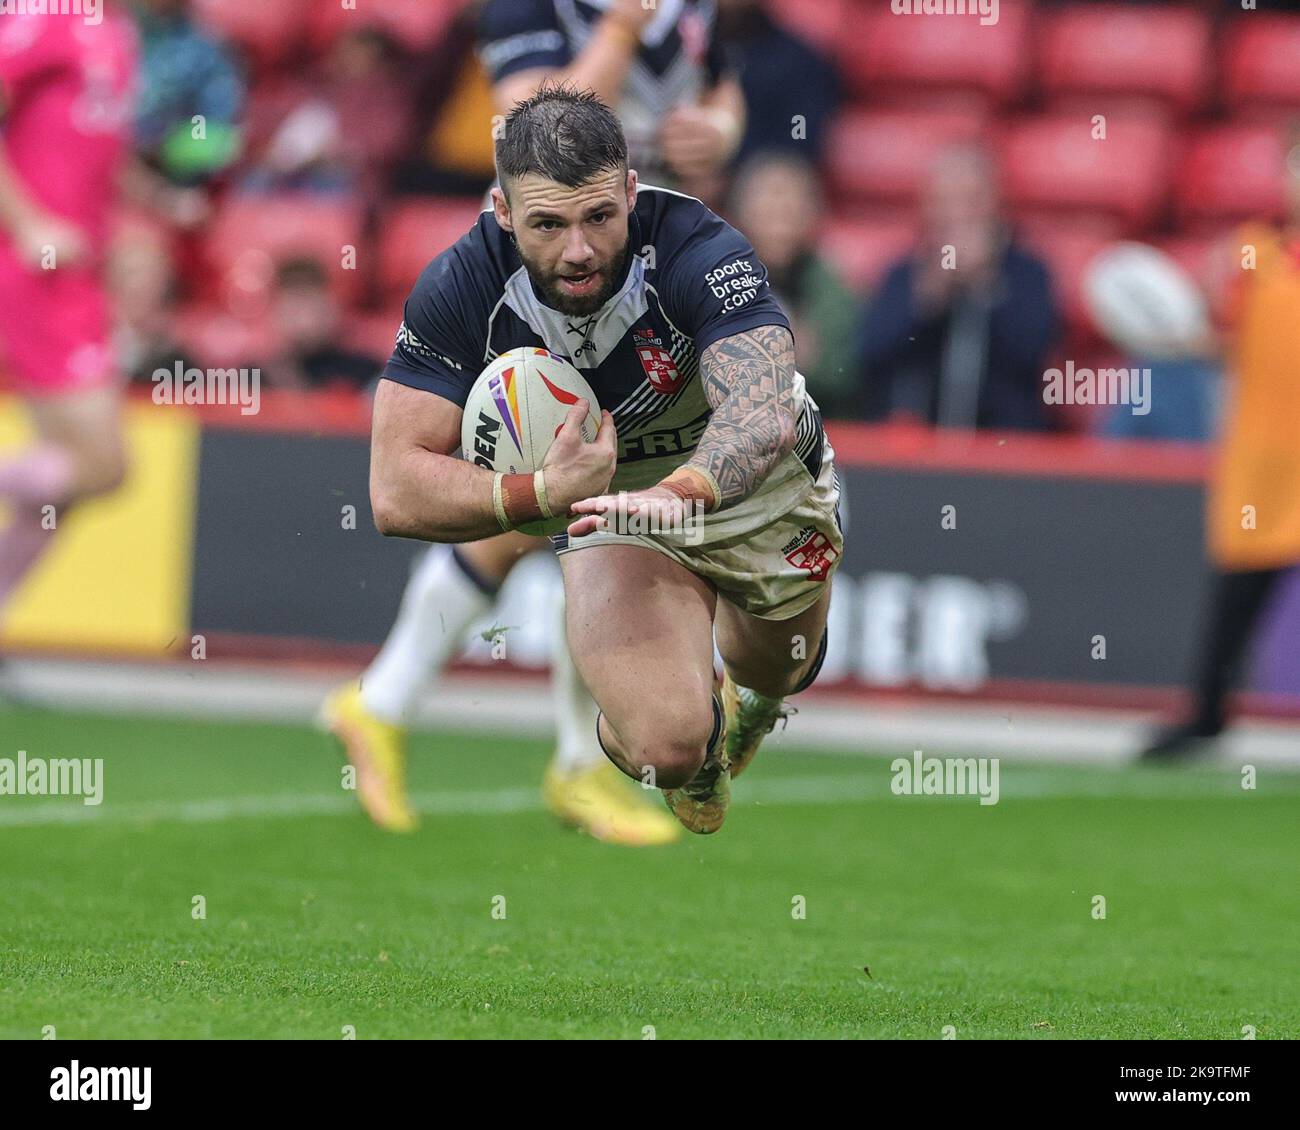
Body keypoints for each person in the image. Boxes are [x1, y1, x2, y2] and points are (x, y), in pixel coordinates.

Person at [323, 0, 746, 844]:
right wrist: (620, 32)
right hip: (555, 277)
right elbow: (531, 129)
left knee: (563, 513)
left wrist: (721, 132)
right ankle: (573, 764)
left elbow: (722, 84)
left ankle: (388, 704)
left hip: (654, 271)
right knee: (576, 504)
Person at [367, 85, 842, 835]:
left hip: (754, 489)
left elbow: (759, 414)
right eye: (547, 225)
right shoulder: (461, 285)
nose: (579, 249)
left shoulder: (699, 248)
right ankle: (697, 732)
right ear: (502, 213)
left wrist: (685, 488)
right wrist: (541, 491)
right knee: (666, 748)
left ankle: (753, 702)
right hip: (614, 502)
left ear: (629, 189)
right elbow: (394, 491)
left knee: (776, 666)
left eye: (598, 216)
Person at [1140, 125, 1300, 759]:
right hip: (1264, 458)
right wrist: (1171, 327)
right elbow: (1215, 336)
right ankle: (1207, 712)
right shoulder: (1251, 253)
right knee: (1237, 595)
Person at [0, 9, 138, 619]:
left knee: (67, 489)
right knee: (103, 466)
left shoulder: (116, 30)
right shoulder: (45, 16)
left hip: (76, 274)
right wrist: (29, 222)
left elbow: (87, 150)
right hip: (36, 270)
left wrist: (157, 198)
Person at [860, 142, 1060, 430]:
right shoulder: (904, 274)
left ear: (996, 203)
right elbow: (871, 354)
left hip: (1005, 446)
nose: (958, 213)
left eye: (971, 200)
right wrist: (929, 298)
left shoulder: (1027, 273)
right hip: (915, 445)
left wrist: (986, 285)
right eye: (946, 201)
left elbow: (1033, 353)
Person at [728, 152, 861, 418]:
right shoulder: (719, 280)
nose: (779, 226)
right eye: (768, 212)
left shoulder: (832, 288)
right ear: (740, 215)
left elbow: (845, 375)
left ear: (812, 216)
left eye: (789, 212)